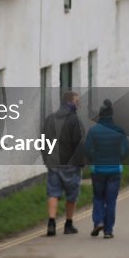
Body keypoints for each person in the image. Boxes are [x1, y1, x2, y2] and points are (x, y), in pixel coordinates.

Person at [84, 99, 129, 238]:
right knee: (111, 201)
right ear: (112, 115)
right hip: (115, 170)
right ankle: (108, 231)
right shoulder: (119, 131)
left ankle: (98, 221)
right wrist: (118, 158)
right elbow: (125, 151)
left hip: (98, 170)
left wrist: (94, 159)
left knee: (98, 197)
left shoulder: (93, 131)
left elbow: (87, 150)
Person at [42, 91, 85, 236]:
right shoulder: (74, 120)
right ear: (70, 102)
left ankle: (51, 223)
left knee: (53, 193)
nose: (78, 103)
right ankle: (68, 224)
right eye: (76, 100)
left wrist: (46, 159)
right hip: (71, 165)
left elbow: (43, 141)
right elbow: (79, 144)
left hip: (53, 162)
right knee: (72, 195)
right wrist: (80, 163)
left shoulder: (49, 119)